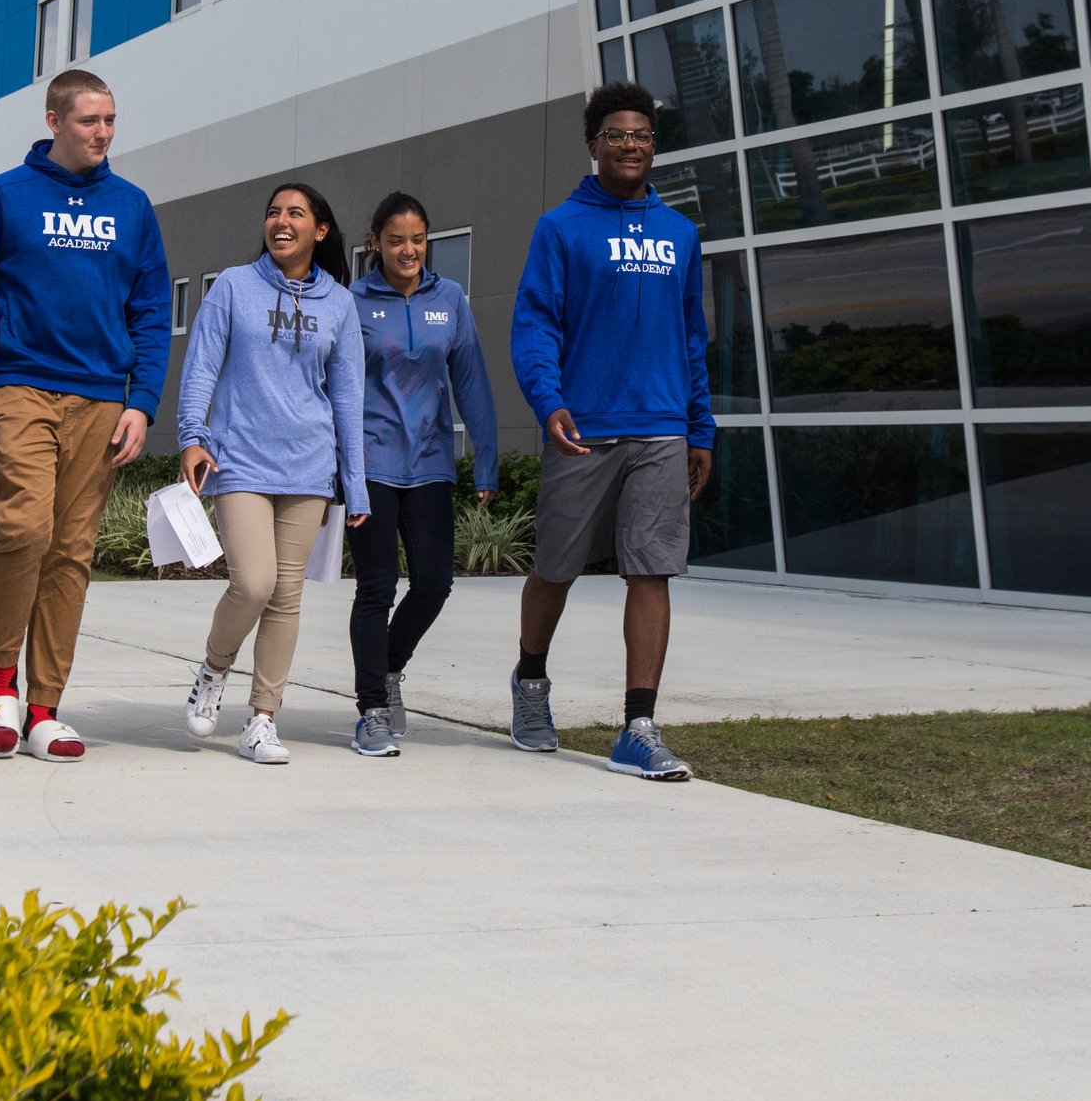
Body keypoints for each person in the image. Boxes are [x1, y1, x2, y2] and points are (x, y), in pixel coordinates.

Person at [0, 68, 172, 761]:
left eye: (110, 120)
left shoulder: (132, 206)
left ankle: (44, 708)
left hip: (102, 397)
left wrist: (142, 403)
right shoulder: (6, 196)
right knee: (25, 529)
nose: (103, 133)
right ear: (54, 120)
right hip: (22, 388)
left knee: (72, 553)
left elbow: (152, 312)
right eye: (89, 120)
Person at [506, 81, 712, 782]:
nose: (632, 145)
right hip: (584, 429)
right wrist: (549, 401)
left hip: (660, 428)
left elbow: (692, 340)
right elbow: (535, 324)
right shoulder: (561, 228)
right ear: (594, 144)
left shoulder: (681, 234)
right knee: (556, 569)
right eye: (619, 135)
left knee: (651, 571)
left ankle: (639, 726)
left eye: (644, 135)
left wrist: (700, 428)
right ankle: (530, 681)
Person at [174, 183, 369, 765]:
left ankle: (262, 718)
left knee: (285, 598)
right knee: (254, 583)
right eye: (273, 213)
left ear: (320, 230)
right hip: (240, 460)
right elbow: (201, 366)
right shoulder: (233, 286)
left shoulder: (340, 303)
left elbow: (349, 398)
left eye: (295, 214)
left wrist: (353, 482)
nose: (280, 222)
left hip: (309, 466)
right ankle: (212, 670)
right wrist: (191, 437)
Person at [344, 192, 499, 757]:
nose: (408, 250)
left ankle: (387, 669)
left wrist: (486, 458)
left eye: (417, 240)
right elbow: (335, 386)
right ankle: (371, 711)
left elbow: (473, 383)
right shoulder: (352, 301)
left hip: (431, 463)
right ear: (376, 244)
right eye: (395, 240)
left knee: (435, 583)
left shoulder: (450, 299)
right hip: (372, 462)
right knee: (377, 586)